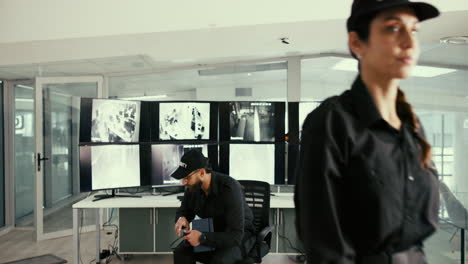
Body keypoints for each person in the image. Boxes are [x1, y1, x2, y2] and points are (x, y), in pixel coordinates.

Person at [294, 0, 440, 263]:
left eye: (414, 30)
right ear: (356, 43)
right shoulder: (331, 122)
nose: (410, 42)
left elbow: (416, 236)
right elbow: (326, 248)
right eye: (394, 28)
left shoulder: (413, 128)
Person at [171, 149, 256, 264]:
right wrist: (181, 218)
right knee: (181, 253)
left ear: (202, 173)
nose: (183, 182)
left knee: (219, 261)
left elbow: (235, 236)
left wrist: (202, 238)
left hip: (237, 236)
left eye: (187, 178)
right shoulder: (193, 188)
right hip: (211, 230)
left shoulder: (229, 188)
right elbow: (184, 210)